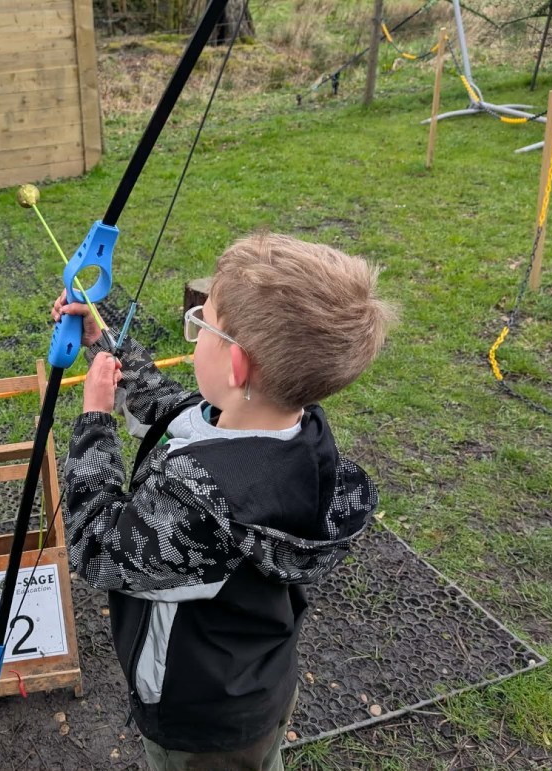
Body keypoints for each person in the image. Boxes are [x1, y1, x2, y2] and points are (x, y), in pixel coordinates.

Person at [51, 232, 397, 771]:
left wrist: (94, 420)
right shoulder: (291, 426)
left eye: (200, 325)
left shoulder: (208, 501)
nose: (191, 339)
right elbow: (175, 411)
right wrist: (105, 342)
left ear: (236, 365)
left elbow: (95, 546)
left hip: (202, 725)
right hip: (253, 682)